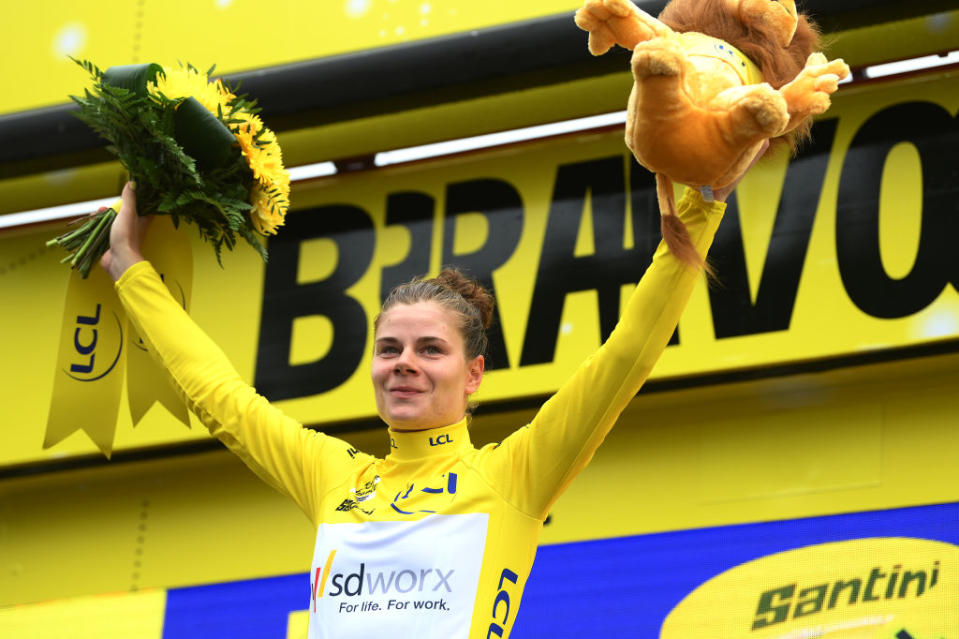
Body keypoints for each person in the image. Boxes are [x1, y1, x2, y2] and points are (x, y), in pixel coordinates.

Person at [101, 144, 763, 638]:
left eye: (430, 349)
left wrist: (700, 209)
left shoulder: (513, 475)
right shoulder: (334, 476)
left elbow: (627, 353)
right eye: (388, 348)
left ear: (473, 373)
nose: (404, 364)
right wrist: (131, 269)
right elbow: (218, 395)